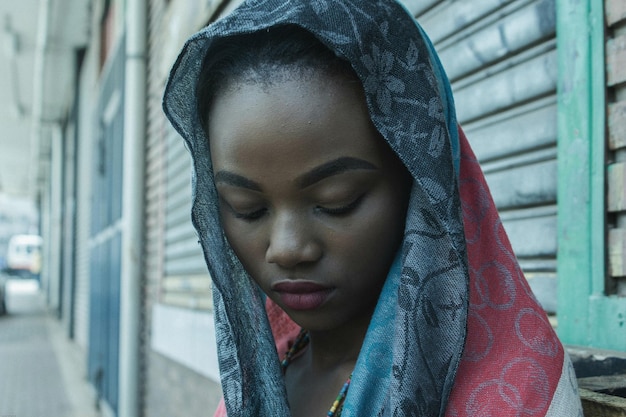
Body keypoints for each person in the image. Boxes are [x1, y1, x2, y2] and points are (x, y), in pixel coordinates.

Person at [163, 1, 583, 416]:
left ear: (420, 188)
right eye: (248, 208)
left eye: (336, 201)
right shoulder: (258, 380)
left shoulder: (515, 396)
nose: (288, 249)